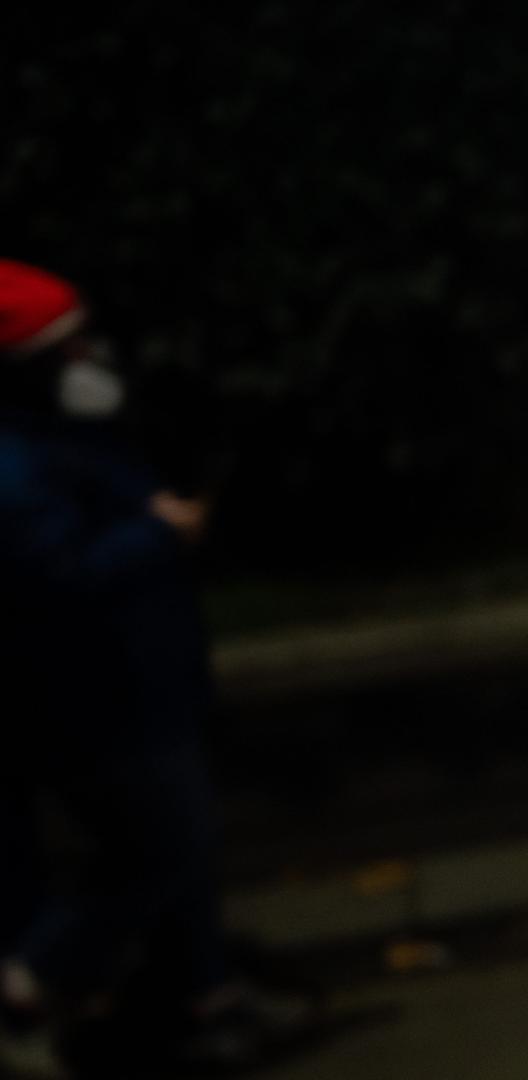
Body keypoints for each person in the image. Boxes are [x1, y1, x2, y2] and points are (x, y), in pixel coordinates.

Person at [0, 258, 312, 1077]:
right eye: (67, 348)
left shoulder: (55, 439)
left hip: (141, 676)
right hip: (102, 695)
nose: (89, 360)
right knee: (163, 846)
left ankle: (206, 997)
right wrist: (159, 534)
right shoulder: (16, 465)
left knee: (180, 848)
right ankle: (33, 982)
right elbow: (56, 578)